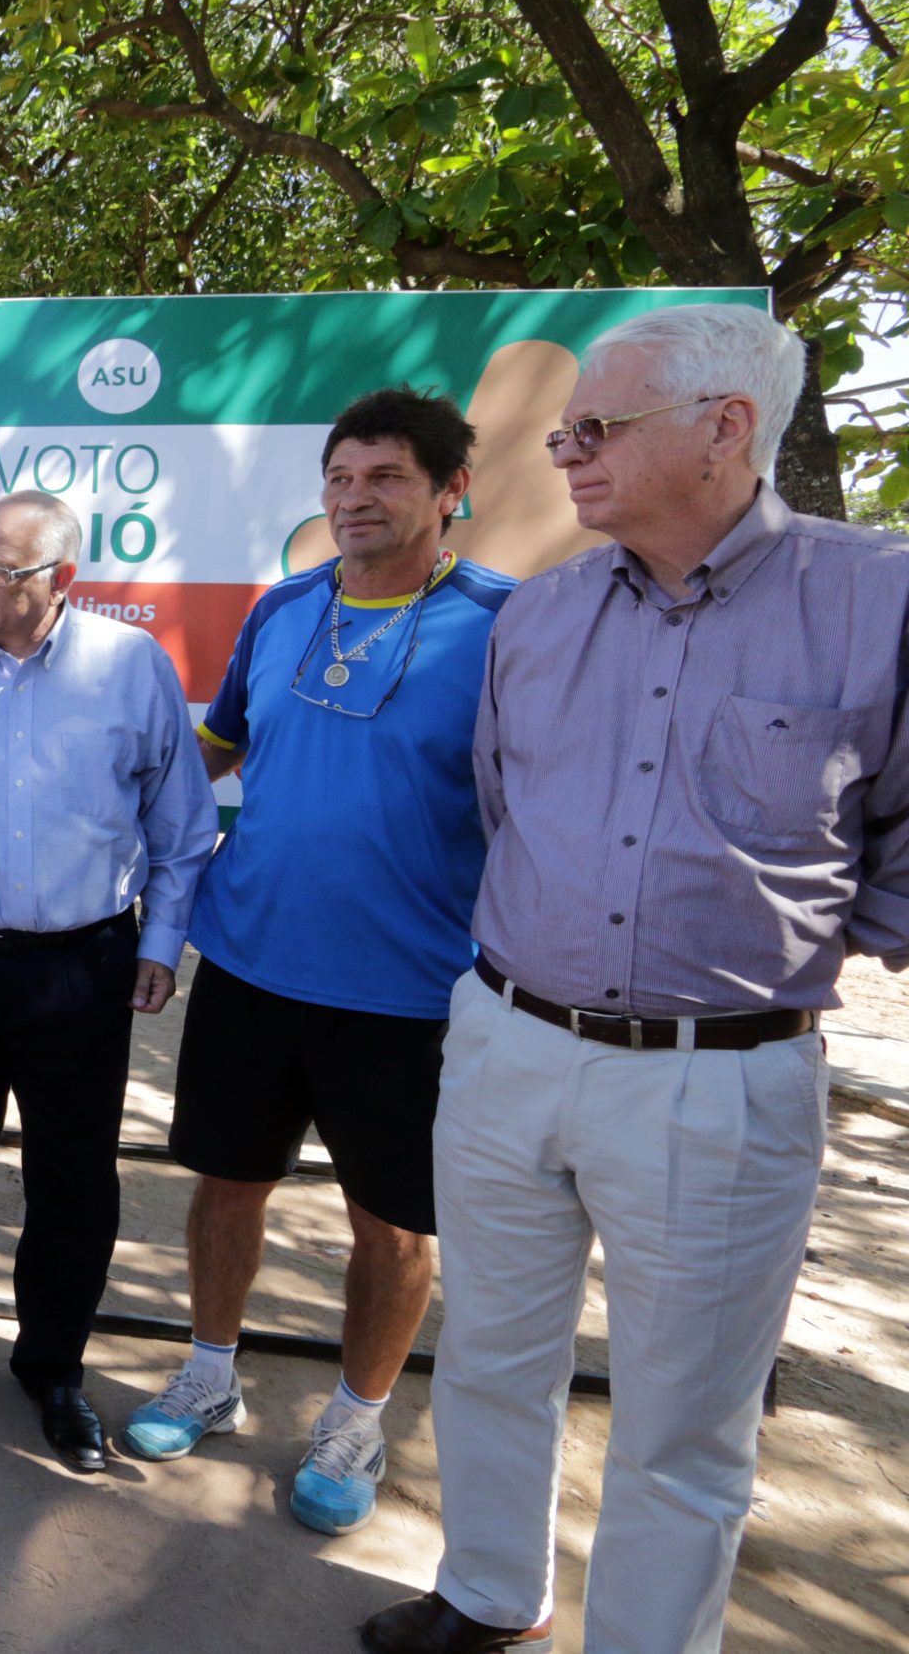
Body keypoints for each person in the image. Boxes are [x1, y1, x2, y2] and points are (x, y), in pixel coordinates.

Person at [360, 305, 909, 1654]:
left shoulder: (877, 599)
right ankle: (489, 1593)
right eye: (564, 433)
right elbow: (507, 804)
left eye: (595, 429)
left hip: (719, 1078)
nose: (566, 454)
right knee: (491, 1351)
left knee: (683, 1425)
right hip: (508, 1042)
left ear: (726, 428)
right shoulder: (541, 615)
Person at [121, 390, 514, 1537]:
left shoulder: (508, 623)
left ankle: (355, 1419)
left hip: (411, 991)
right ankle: (208, 1373)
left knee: (392, 1227)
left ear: (450, 491)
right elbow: (216, 745)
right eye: (339, 478)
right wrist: (112, 788)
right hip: (250, 963)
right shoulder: (284, 607)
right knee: (224, 1188)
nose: (354, 499)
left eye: (384, 476)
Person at [0, 489, 215, 1471]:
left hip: (81, 966)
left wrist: (161, 940)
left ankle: (53, 1367)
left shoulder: (131, 667)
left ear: (60, 579)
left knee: (72, 1176)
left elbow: (181, 823)